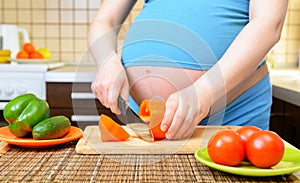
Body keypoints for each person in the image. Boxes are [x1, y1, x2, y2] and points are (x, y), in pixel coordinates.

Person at [88, 0, 288, 140]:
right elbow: (105, 20)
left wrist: (203, 92)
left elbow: (269, 23)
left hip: (232, 109)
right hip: (141, 119)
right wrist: (107, 61)